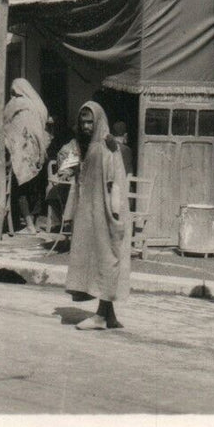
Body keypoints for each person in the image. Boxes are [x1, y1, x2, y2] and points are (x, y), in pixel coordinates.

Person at [63, 101, 131, 331]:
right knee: (99, 260)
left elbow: (114, 182)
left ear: (99, 121)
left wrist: (113, 214)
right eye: (83, 121)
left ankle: (101, 316)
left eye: (90, 121)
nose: (86, 126)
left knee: (106, 259)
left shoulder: (105, 147)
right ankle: (108, 314)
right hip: (91, 213)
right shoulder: (90, 146)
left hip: (104, 213)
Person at [4, 78, 50, 235]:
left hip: (20, 154)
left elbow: (5, 124)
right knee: (36, 188)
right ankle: (35, 223)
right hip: (37, 151)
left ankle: (28, 224)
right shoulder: (37, 105)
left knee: (20, 188)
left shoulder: (15, 104)